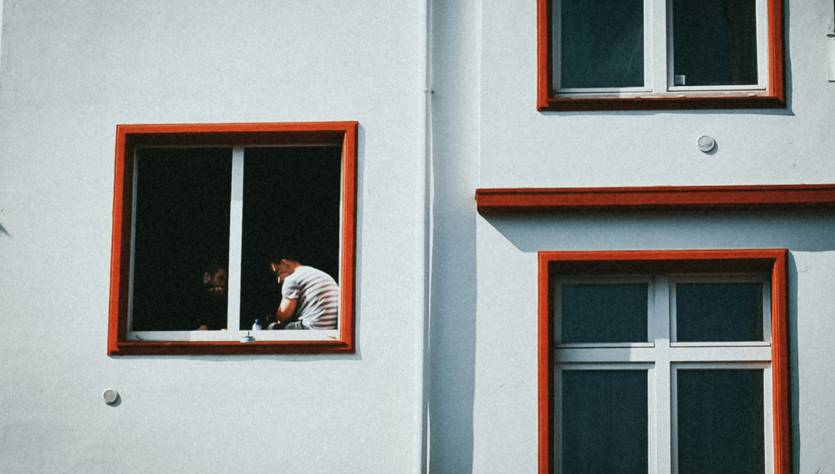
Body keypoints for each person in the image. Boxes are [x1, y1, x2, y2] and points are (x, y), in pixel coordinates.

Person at [269, 255, 339, 330]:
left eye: (277, 272)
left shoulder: (292, 279)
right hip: (331, 329)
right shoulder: (319, 273)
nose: (278, 280)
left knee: (271, 327)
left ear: (284, 263)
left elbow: (283, 317)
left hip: (311, 328)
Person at [195, 263, 228, 330]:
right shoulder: (199, 298)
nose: (223, 284)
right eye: (220, 278)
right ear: (207, 277)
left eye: (225, 280)